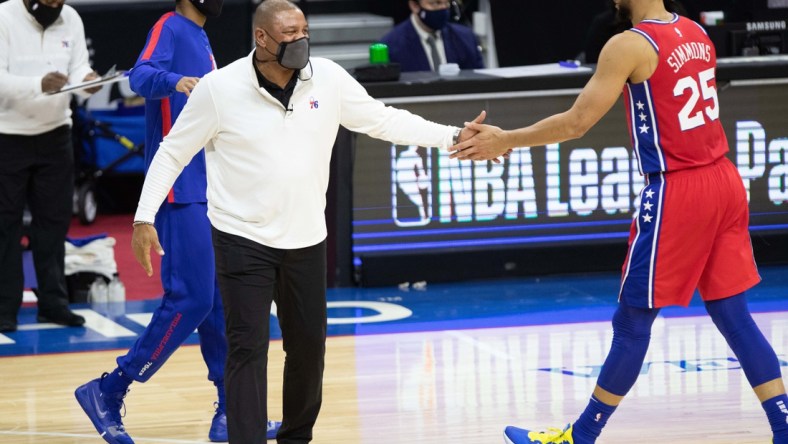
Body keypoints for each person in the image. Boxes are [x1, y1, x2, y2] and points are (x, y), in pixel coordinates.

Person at [129, 1, 488, 442]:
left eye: (304, 32)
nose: (300, 41)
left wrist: (452, 137)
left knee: (308, 350)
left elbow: (384, 120)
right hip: (242, 237)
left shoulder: (329, 78)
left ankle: (296, 435)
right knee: (246, 349)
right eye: (289, 34)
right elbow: (172, 151)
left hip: (305, 238)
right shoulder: (219, 89)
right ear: (261, 38)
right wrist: (144, 217)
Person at [450, 0, 788, 443]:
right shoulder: (696, 32)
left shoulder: (628, 45)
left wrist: (506, 139)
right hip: (723, 178)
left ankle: (581, 436)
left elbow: (576, 123)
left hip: (678, 188)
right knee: (732, 313)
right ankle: (783, 427)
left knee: (632, 321)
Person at [73, 1, 281, 443]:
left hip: (209, 189)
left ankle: (231, 413)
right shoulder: (170, 25)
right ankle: (109, 388)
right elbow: (139, 75)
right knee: (190, 299)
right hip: (177, 188)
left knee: (219, 303)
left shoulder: (200, 34)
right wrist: (175, 80)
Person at [0, 0, 102, 333]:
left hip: (57, 134)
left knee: (53, 225)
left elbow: (77, 69)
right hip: (7, 134)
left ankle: (54, 304)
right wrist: (37, 85)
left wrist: (87, 82)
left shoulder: (70, 17)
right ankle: (4, 308)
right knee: (6, 226)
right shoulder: (3, 16)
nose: (55, 5)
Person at [379, 0, 484, 72]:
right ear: (414, 6)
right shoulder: (391, 45)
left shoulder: (466, 38)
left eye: (446, 3)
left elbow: (481, 82)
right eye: (435, 3)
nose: (443, 8)